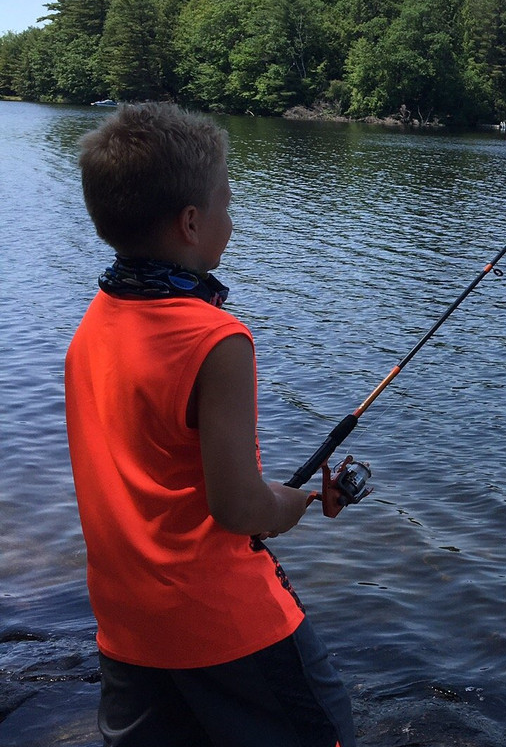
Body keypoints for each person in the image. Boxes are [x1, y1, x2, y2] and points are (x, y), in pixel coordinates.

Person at [65, 102, 355, 747]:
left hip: (128, 624)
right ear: (192, 222)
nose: (234, 217)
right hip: (225, 623)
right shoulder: (217, 338)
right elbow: (238, 508)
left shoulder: (96, 320)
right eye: (228, 203)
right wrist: (289, 504)